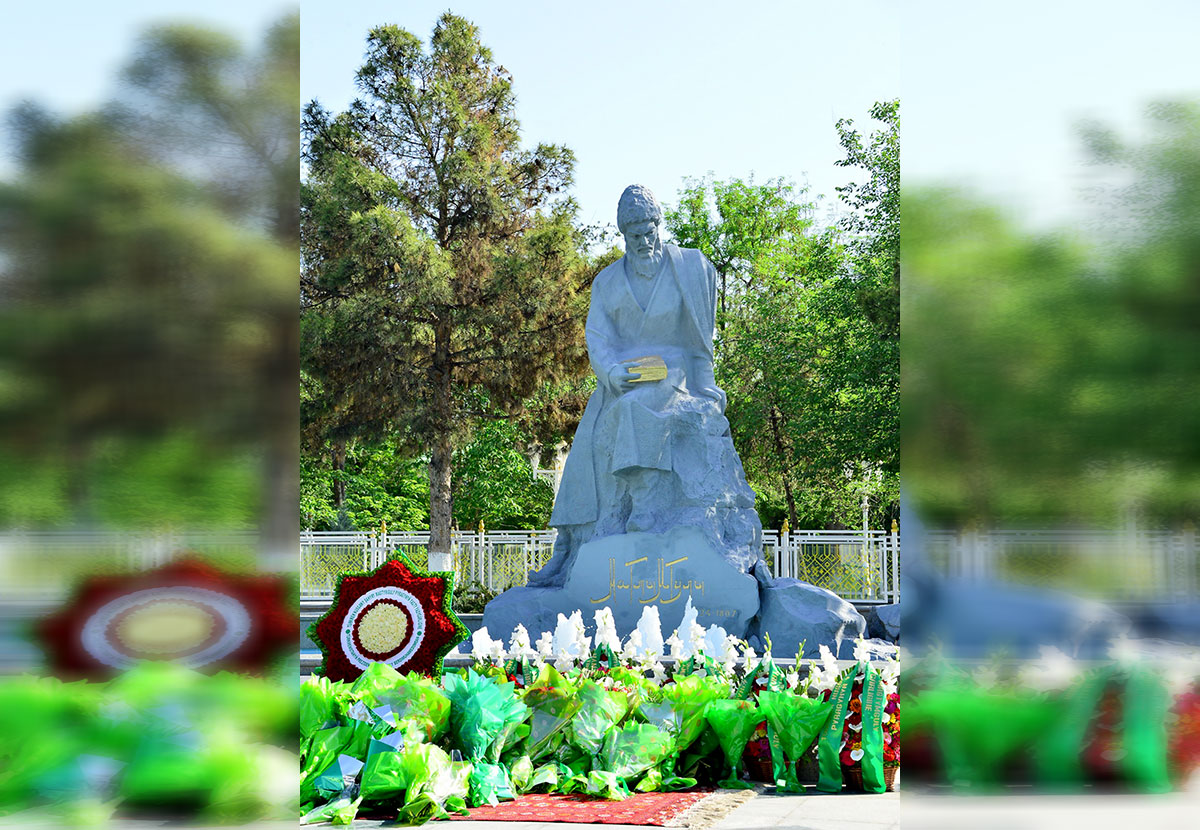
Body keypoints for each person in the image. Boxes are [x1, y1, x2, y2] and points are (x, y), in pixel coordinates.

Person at [529, 185, 761, 586]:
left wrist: (707, 390)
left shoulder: (691, 268)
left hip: (675, 372)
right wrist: (611, 372)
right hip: (623, 377)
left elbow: (700, 340)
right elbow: (597, 337)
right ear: (622, 234)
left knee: (634, 410)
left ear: (658, 225)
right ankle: (569, 547)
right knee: (586, 442)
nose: (642, 240)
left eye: (648, 230)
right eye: (633, 233)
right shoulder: (607, 282)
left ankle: (646, 505)